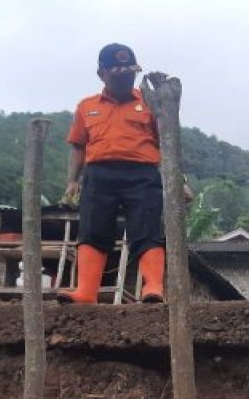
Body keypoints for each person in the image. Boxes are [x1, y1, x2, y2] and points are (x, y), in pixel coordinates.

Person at [58, 43, 167, 304]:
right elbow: (78, 146)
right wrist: (72, 180)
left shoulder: (150, 103)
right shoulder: (86, 106)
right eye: (119, 75)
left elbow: (168, 143)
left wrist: (179, 181)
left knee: (147, 229)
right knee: (92, 231)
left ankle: (153, 287)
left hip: (142, 174)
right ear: (102, 74)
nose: (126, 79)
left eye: (130, 74)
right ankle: (86, 292)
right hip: (98, 174)